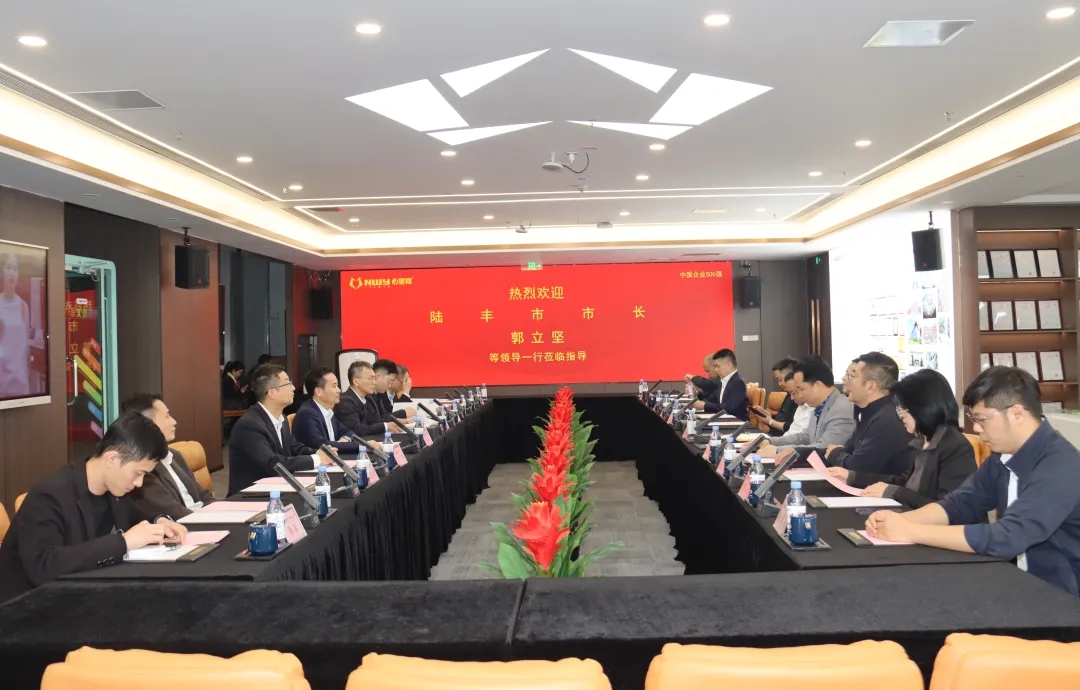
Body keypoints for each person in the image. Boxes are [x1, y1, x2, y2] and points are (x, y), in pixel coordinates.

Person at [866, 367, 1080, 596]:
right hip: (1016, 582)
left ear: (1017, 414)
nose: (976, 428)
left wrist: (911, 531)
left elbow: (1008, 537)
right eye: (973, 419)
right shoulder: (1003, 455)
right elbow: (960, 503)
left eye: (981, 419)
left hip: (1061, 597)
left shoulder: (1061, 465)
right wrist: (900, 521)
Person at [0, 412, 187, 601]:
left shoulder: (116, 489)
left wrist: (159, 521)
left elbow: (135, 517)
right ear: (112, 459)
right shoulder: (49, 495)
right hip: (28, 605)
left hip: (81, 595)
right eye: (138, 473)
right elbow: (44, 565)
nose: (139, 483)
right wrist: (123, 542)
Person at [827, 369, 977, 510]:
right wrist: (853, 477)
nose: (901, 415)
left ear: (923, 408)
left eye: (904, 409)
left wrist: (895, 492)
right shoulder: (921, 441)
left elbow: (947, 508)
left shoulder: (955, 447)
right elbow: (904, 482)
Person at [227, 364, 332, 496]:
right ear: (272, 393)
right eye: (288, 384)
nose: (293, 388)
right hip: (250, 496)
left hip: (276, 488)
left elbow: (294, 447)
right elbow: (273, 464)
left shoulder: (281, 418)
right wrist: (316, 459)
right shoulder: (249, 425)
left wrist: (321, 452)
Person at [123, 393, 215, 518]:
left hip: (205, 518)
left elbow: (204, 495)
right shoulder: (143, 468)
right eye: (167, 416)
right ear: (148, 423)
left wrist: (224, 513)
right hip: (188, 524)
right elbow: (174, 513)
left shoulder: (174, 455)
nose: (174, 422)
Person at [823, 352, 912, 475]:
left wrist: (835, 454)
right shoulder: (869, 413)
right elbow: (849, 451)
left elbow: (858, 467)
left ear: (870, 386)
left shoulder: (886, 420)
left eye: (852, 376)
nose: (845, 379)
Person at [761, 356, 855, 456]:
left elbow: (825, 449)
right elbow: (804, 437)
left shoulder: (841, 409)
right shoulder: (819, 407)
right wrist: (770, 441)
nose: (800, 395)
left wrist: (778, 451)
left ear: (817, 386)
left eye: (801, 389)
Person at [292, 367, 367, 455]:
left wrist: (345, 439)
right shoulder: (307, 414)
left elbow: (348, 431)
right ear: (318, 392)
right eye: (334, 386)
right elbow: (322, 445)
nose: (339, 390)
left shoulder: (327, 410)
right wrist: (362, 446)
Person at [335, 360, 403, 437]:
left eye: (374, 378)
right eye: (370, 379)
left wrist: (395, 422)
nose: (374, 382)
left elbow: (376, 421)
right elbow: (356, 431)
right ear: (356, 382)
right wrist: (385, 426)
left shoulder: (367, 399)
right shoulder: (345, 401)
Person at [0, 253, 31, 398]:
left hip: (21, 387)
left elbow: (25, 349)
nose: (12, 273)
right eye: (8, 268)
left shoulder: (23, 306)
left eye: (15, 269)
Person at [692, 349, 749, 420]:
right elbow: (712, 400)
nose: (716, 370)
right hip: (725, 420)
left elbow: (729, 409)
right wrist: (698, 397)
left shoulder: (738, 383)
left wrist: (705, 405)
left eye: (718, 366)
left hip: (738, 422)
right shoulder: (724, 381)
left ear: (729, 365)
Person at [757, 358, 799, 436]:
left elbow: (794, 428)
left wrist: (770, 421)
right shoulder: (789, 395)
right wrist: (768, 416)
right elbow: (784, 417)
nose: (779, 384)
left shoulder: (800, 399)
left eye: (780, 379)